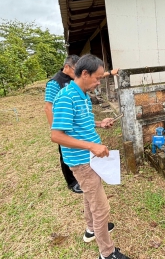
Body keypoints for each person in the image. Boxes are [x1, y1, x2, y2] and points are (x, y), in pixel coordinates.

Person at [50, 54, 130, 259]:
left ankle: (91, 229)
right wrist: (91, 146)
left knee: (90, 195)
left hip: (89, 157)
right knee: (101, 207)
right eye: (97, 78)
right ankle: (107, 253)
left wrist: (100, 124)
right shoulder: (66, 97)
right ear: (84, 73)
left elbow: (80, 121)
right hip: (81, 159)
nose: (98, 82)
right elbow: (56, 135)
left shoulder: (83, 94)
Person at [45, 55, 82, 193]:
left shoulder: (72, 80)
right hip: (61, 125)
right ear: (67, 67)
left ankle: (78, 177)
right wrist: (56, 129)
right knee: (65, 152)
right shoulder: (54, 83)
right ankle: (72, 182)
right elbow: (48, 107)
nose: (77, 74)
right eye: (75, 70)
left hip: (72, 123)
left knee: (75, 150)